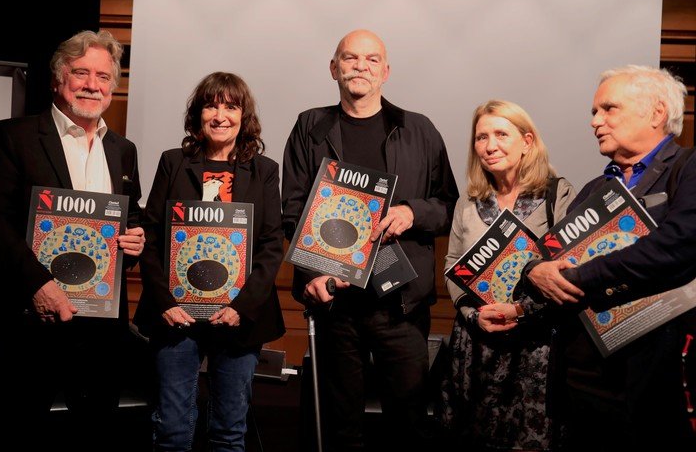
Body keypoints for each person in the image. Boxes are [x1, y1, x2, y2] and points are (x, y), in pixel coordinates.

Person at [281, 29, 459, 450]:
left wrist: (413, 211)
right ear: (334, 68)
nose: (361, 66)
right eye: (350, 58)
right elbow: (292, 211)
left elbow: (449, 205)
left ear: (386, 71)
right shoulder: (310, 126)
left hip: (400, 303)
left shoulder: (418, 129)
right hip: (335, 302)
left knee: (409, 422)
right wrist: (313, 274)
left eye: (372, 59)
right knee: (340, 427)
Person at [0, 30, 145, 451]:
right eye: (81, 73)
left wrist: (136, 238)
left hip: (101, 332)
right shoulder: (12, 136)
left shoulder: (123, 150)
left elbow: (131, 215)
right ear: (57, 79)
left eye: (103, 77)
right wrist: (39, 286)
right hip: (30, 323)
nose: (93, 84)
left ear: (113, 87)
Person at [520, 65, 696, 451]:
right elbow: (546, 257)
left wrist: (579, 276)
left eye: (608, 109)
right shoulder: (595, 188)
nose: (595, 121)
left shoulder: (688, 169)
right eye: (593, 112)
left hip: (653, 374)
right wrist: (534, 272)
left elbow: (677, 246)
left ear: (656, 113)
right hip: (582, 373)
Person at [134, 72, 285, 452]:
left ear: (243, 116)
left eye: (230, 106)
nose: (220, 115)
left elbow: (270, 245)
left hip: (239, 317)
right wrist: (166, 303)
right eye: (211, 105)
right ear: (198, 114)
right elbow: (151, 238)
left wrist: (241, 307)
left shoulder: (264, 171)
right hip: (177, 316)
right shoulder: (173, 163)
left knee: (229, 431)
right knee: (170, 428)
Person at [439, 100, 575, 451]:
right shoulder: (467, 202)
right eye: (481, 137)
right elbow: (453, 264)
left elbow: (571, 265)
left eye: (501, 134)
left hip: (534, 348)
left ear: (527, 141)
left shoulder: (555, 194)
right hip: (476, 345)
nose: (490, 145)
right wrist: (473, 313)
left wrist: (519, 311)